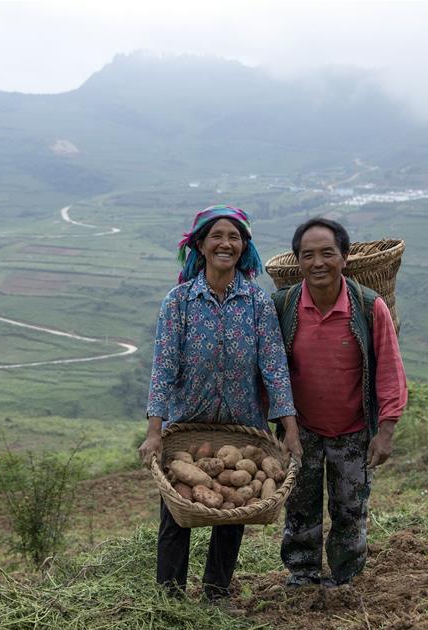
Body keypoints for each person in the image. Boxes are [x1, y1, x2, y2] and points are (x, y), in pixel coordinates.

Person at [138, 204, 302, 602]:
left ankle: (216, 592)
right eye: (217, 236)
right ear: (200, 244)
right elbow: (164, 368)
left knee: (235, 511)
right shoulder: (178, 302)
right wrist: (154, 432)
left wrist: (291, 431)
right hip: (188, 427)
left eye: (234, 237)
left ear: (244, 247)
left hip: (242, 424)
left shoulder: (257, 303)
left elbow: (274, 369)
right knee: (177, 512)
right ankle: (169, 597)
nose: (226, 243)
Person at [273, 217, 407, 588]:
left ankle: (346, 576)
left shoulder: (368, 307)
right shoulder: (282, 306)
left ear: (345, 258)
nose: (318, 262)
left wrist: (386, 431)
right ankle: (302, 574)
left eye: (327, 253)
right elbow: (269, 370)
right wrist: (281, 429)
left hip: (354, 431)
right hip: (301, 431)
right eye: (308, 255)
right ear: (298, 261)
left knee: (350, 509)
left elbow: (390, 372)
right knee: (300, 507)